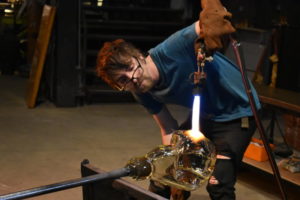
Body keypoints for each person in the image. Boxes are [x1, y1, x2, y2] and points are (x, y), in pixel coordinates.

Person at [96, 20, 261, 200]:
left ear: (139, 56)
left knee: (218, 183)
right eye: (122, 80)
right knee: (162, 176)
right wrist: (173, 168)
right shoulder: (139, 89)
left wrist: (211, 11)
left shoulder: (173, 49)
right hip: (204, 114)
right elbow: (168, 128)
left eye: (129, 68)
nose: (132, 78)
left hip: (239, 111)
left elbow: (210, 21)